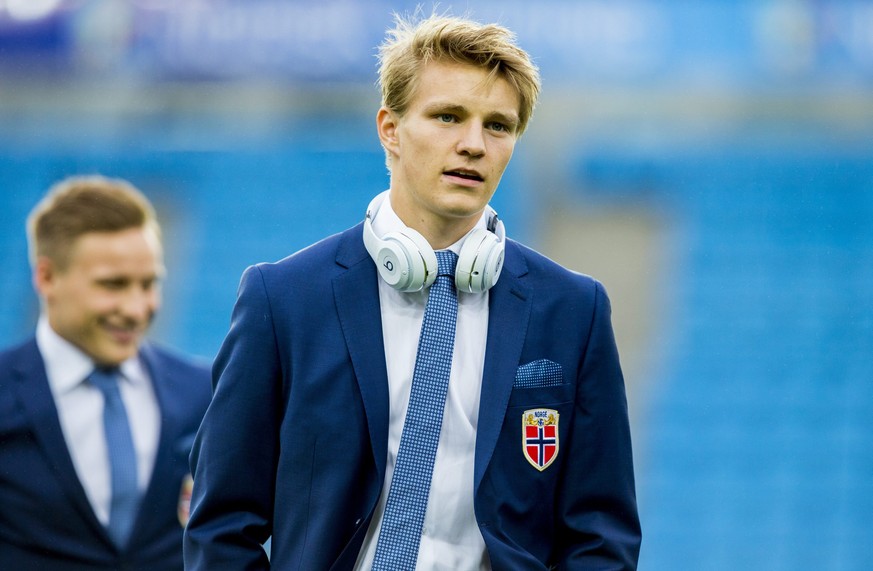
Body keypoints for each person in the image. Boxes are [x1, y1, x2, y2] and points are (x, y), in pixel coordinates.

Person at [184, 12, 641, 570]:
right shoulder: (282, 300)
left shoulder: (574, 311)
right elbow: (223, 524)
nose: (473, 144)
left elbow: (601, 535)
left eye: (497, 125)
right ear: (390, 128)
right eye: (448, 116)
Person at [0, 176, 212, 570]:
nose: (136, 308)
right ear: (46, 278)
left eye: (149, 284)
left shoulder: (202, 393)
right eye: (113, 285)